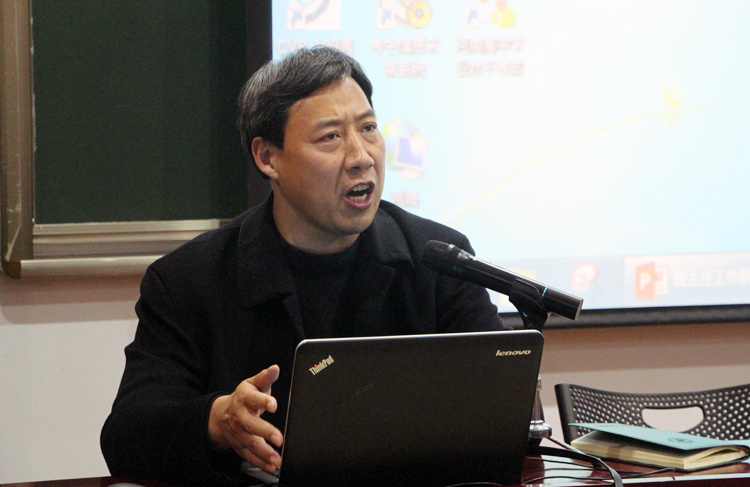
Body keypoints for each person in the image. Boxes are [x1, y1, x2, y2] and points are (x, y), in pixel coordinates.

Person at [101, 45, 506, 486]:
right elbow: (126, 437)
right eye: (330, 137)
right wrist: (217, 420)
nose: (361, 156)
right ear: (267, 158)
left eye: (369, 128)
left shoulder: (438, 260)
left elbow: (502, 409)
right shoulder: (189, 280)